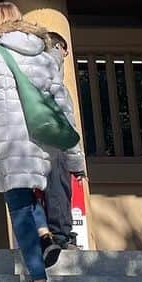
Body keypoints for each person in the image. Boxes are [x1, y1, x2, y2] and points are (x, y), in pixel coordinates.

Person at [0, 2, 86, 282]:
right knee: (29, 197)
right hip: (43, 140)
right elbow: (63, 108)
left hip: (9, 140)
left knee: (19, 207)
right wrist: (76, 158)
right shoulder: (44, 55)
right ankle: (46, 235)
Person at [42, 31, 85, 265]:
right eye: (64, 50)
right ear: (60, 48)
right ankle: (60, 236)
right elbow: (66, 119)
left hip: (31, 141)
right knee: (58, 188)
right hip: (55, 141)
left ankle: (51, 235)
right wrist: (77, 160)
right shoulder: (53, 78)